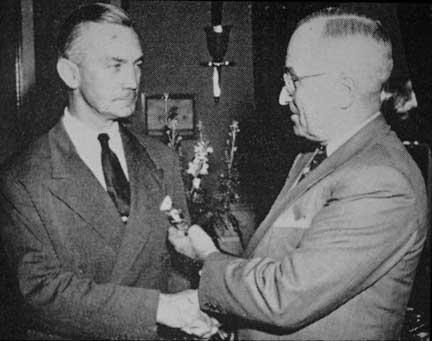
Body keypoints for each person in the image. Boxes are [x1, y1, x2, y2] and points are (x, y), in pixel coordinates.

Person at [169, 8, 429, 341]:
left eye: (293, 80)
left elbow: (284, 296)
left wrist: (209, 259)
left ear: (343, 90)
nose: (282, 96)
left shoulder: (383, 182)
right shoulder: (315, 158)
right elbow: (276, 264)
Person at [0, 3, 218, 340]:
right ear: (70, 73)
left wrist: (197, 311)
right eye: (115, 65)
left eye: (137, 65)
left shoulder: (160, 159)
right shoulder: (23, 177)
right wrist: (159, 308)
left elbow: (176, 266)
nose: (132, 81)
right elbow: (38, 291)